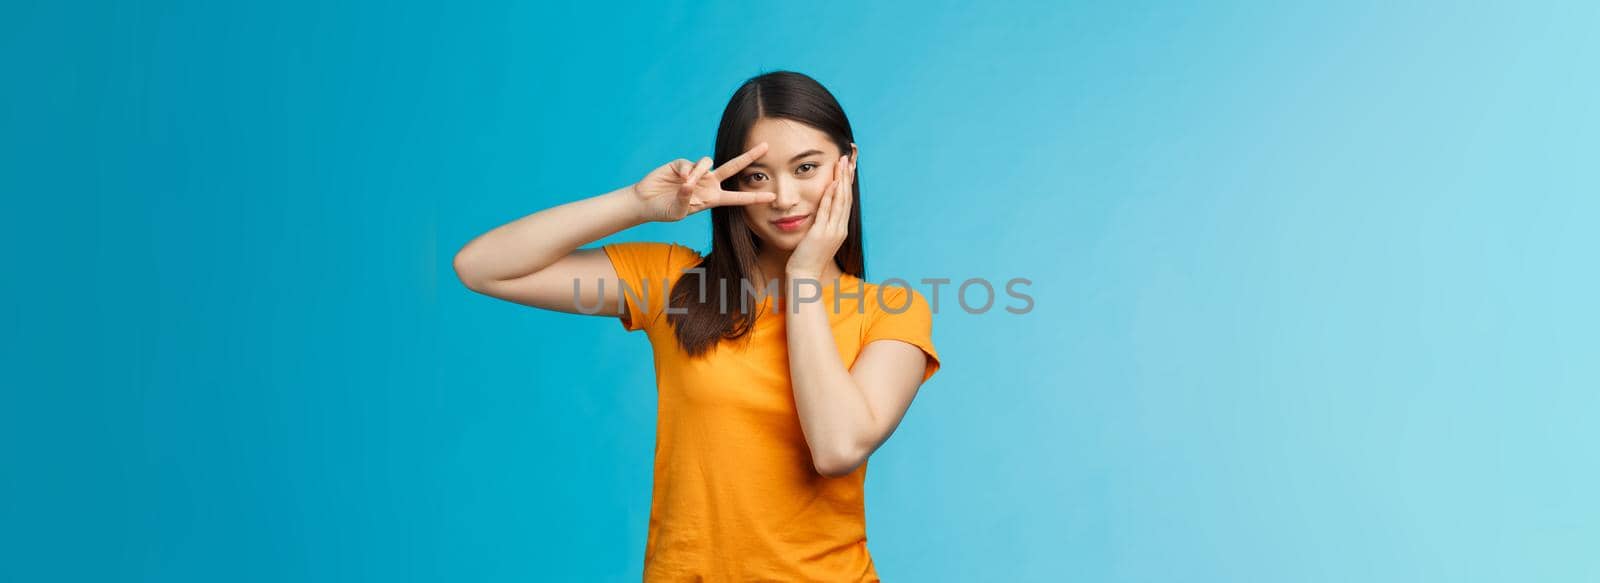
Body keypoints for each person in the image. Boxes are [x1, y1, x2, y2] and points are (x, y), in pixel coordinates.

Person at [452, 70, 940, 582]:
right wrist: (636, 205)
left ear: (848, 163)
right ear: (733, 182)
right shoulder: (674, 286)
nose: (783, 197)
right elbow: (482, 267)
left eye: (806, 167)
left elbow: (838, 449)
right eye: (758, 175)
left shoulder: (890, 310)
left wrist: (803, 279)